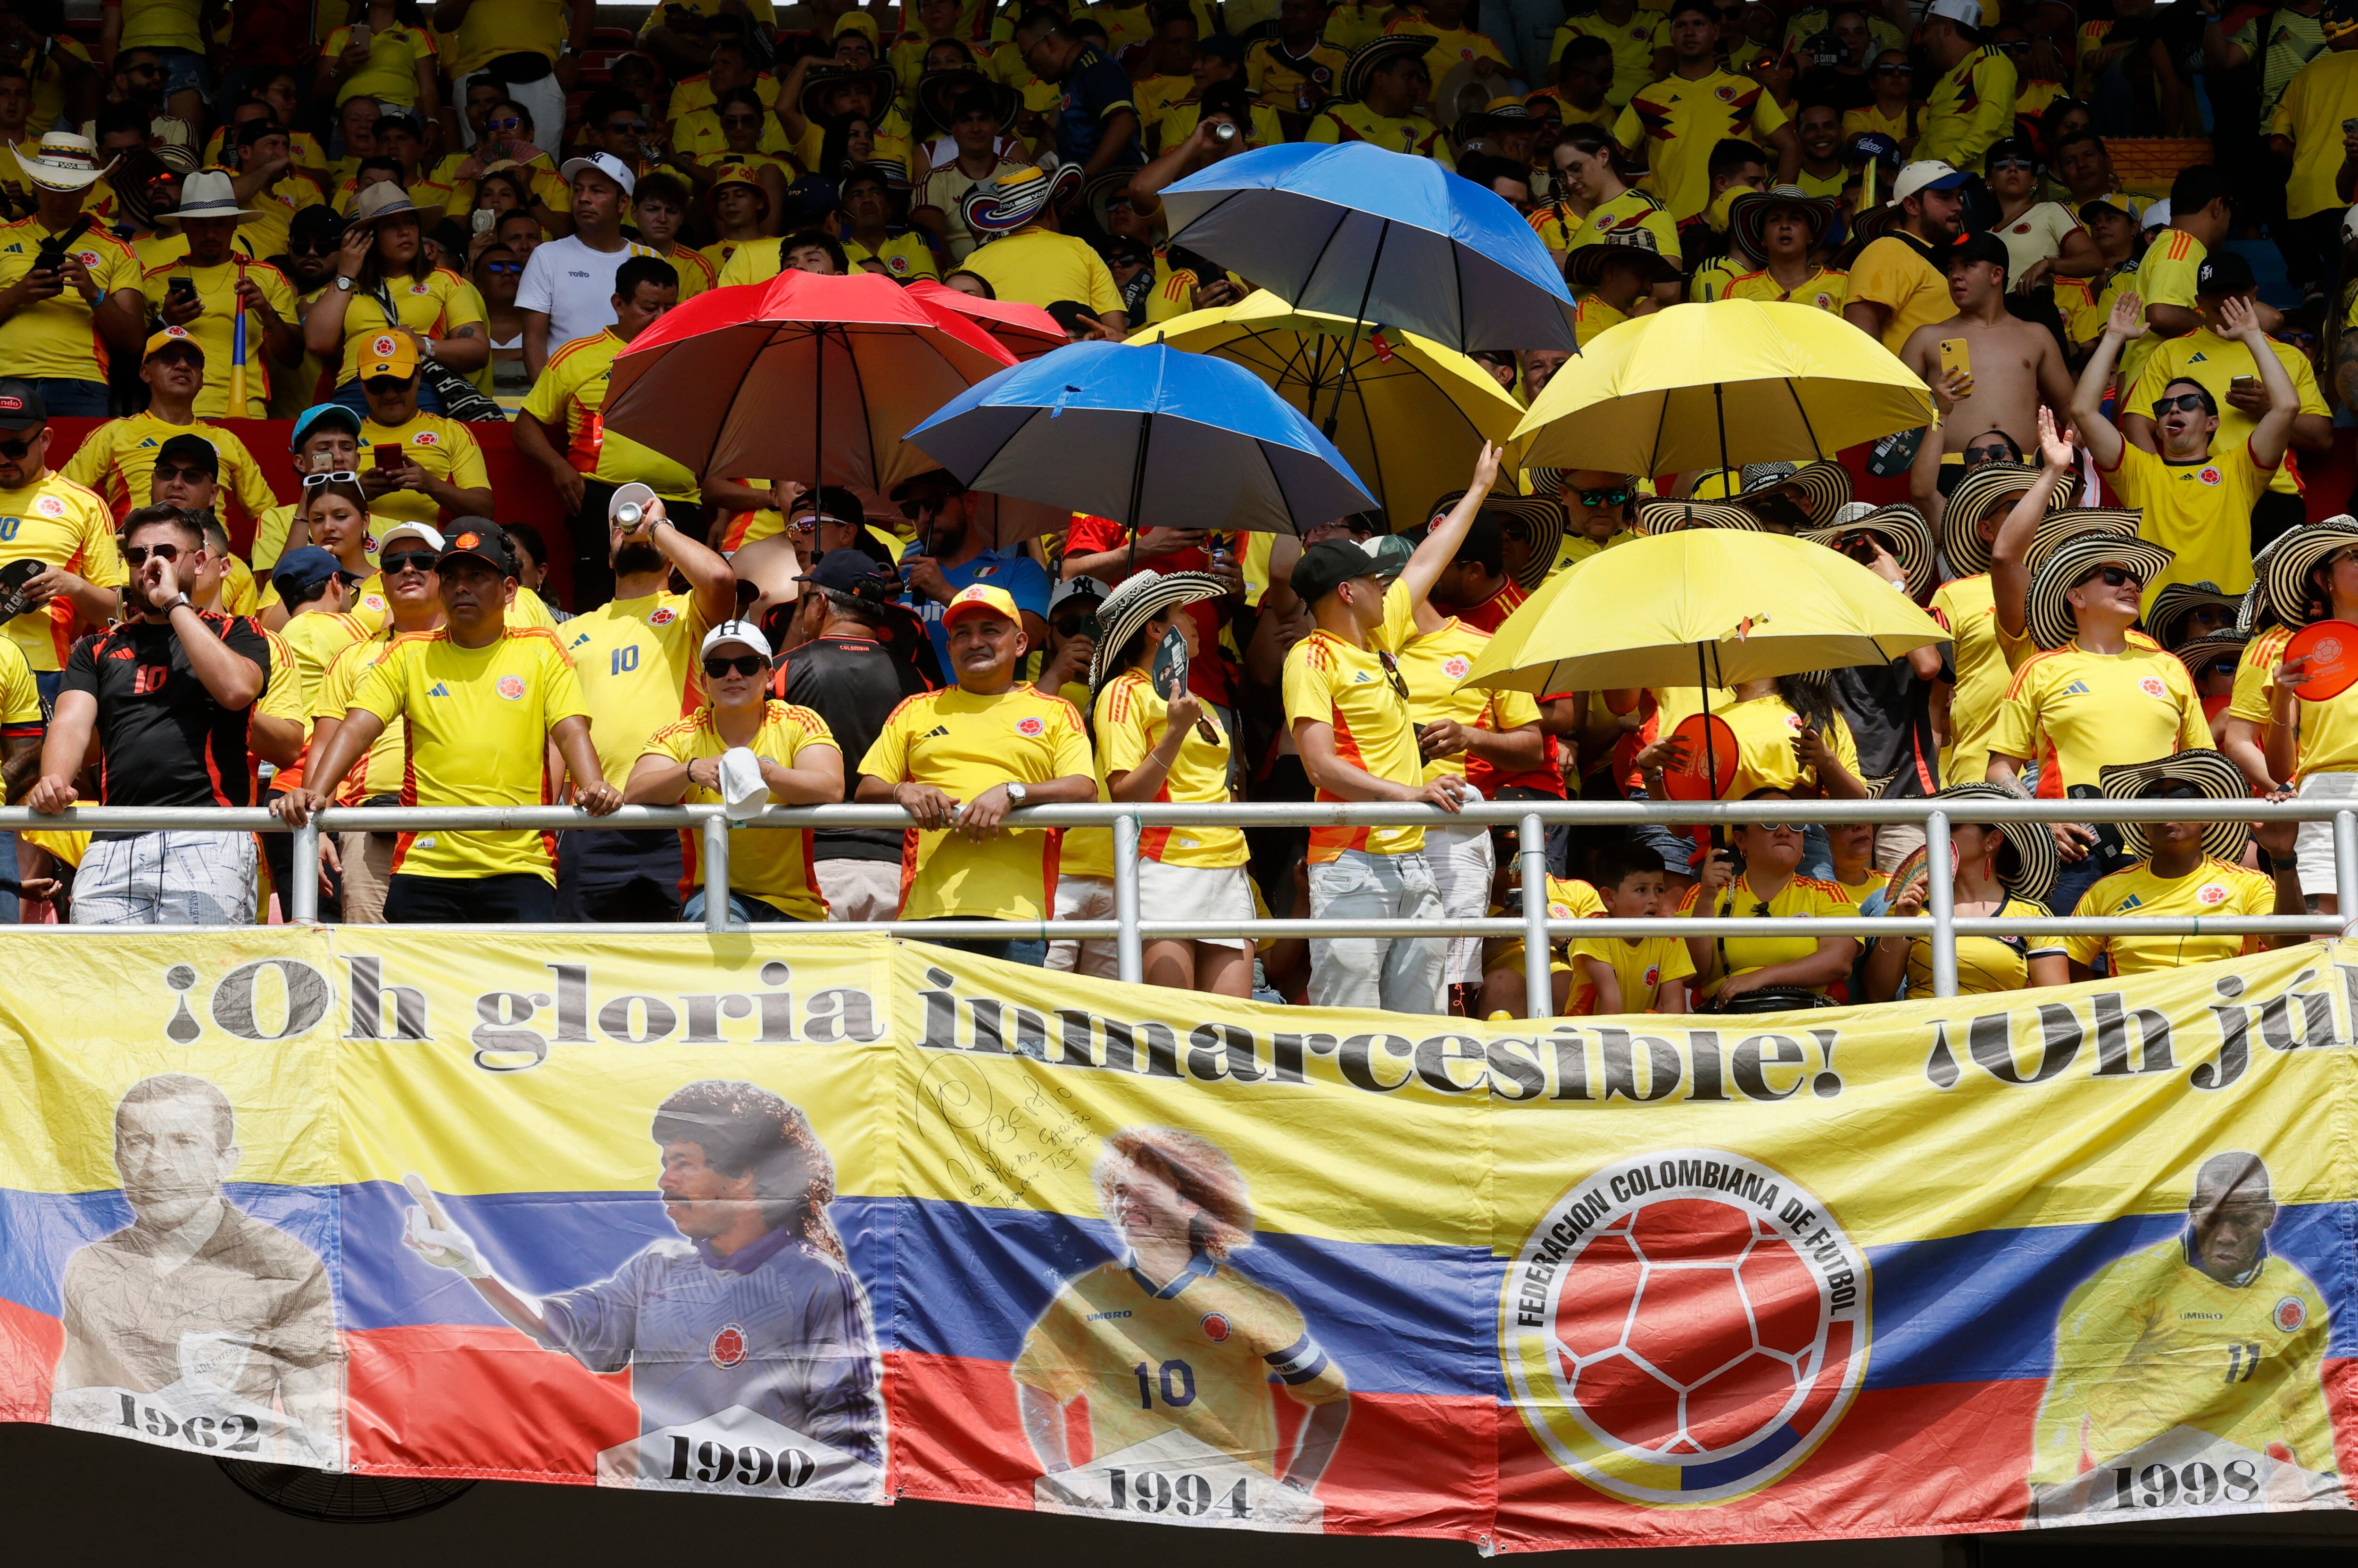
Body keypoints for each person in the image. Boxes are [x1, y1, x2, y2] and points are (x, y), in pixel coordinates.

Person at [402, 1079, 883, 1475]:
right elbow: (559, 1326)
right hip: (664, 1522)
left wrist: (708, 1462)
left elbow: (851, 1449)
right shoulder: (657, 1270)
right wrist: (473, 1267)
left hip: (767, 1531)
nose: (663, 1181)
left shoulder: (816, 1283)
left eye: (683, 1164)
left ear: (742, 1175)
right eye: (663, 1163)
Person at [271, 521, 621, 923]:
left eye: (477, 576)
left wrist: (593, 785)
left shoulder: (542, 649)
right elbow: (357, 726)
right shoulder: (408, 653)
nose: (460, 587)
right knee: (404, 986)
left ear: (509, 591)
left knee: (519, 986)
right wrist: (315, 792)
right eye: (451, 577)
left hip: (521, 863)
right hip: (425, 865)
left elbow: (570, 728)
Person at [1282, 448, 1500, 1014]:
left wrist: (1477, 490)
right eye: (1375, 581)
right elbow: (1319, 765)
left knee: (1419, 1026)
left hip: (1410, 859)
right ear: (1348, 593)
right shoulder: (1310, 658)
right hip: (1350, 863)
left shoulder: (1380, 640)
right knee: (1351, 1026)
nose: (1390, 588)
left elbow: (1429, 559)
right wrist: (1412, 795)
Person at [1013, 1127, 1349, 1490]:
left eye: (1146, 1192)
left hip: (1233, 1507)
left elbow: (1330, 1398)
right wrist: (1060, 1472)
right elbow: (1037, 1383)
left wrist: (1297, 1487)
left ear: (1191, 1205)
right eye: (1122, 1191)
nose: (1127, 1204)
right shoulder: (1088, 1294)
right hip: (1123, 1508)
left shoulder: (1250, 1302)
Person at [2026, 1150, 2336, 1521]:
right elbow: (2071, 1391)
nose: (2226, 1235)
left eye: (2244, 1220)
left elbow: (2301, 1400)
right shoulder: (2126, 1286)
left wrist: (2327, 1477)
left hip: (2241, 1488)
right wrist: (2050, 1483)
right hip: (2132, 1483)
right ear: (2192, 1210)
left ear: (2269, 1214)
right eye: (2213, 1219)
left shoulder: (2295, 1296)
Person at [50, 1074, 337, 1464]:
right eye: (138, 1143)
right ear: (119, 1159)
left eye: (184, 1142)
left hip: (228, 1494)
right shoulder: (91, 1266)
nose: (157, 1166)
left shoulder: (287, 1267)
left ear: (225, 1160)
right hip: (108, 1490)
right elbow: (71, 1399)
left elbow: (318, 1423)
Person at [29, 506, 270, 924]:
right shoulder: (97, 647)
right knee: (105, 985)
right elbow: (70, 722)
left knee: (198, 983)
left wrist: (175, 603)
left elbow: (236, 691)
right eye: (138, 557)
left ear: (198, 562)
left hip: (208, 837)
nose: (151, 566)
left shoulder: (237, 631)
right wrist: (54, 780)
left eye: (165, 553)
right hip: (113, 840)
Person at [1987, 464, 2209, 914]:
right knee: (2068, 968)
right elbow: (1999, 770)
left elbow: (2201, 766)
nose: (2131, 585)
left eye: (2135, 581)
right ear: (2076, 596)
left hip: (2159, 846)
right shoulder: (2040, 668)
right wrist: (2041, 822)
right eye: (2113, 577)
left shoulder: (2169, 665)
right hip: (2072, 849)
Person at [852, 582, 1098, 964]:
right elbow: (867, 788)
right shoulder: (915, 709)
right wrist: (904, 791)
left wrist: (1014, 792)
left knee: (1009, 1027)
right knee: (926, 1027)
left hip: (1019, 918)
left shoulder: (1056, 711)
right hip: (925, 916)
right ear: (949, 648)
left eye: (990, 630)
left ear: (1020, 644)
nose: (975, 641)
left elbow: (1084, 789)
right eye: (962, 633)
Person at [559, 489, 737, 921]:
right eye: (620, 530)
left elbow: (719, 579)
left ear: (674, 557)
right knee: (584, 963)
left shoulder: (688, 610)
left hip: (683, 815)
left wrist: (658, 527)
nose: (633, 531)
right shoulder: (570, 631)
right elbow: (555, 730)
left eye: (645, 526)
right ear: (607, 556)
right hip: (591, 818)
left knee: (681, 964)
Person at [1091, 570, 1253, 996]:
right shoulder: (1123, 692)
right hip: (1167, 867)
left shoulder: (1191, 695)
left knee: (1233, 1031)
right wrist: (1176, 731)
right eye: (1183, 611)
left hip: (1228, 864)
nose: (1197, 620)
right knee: (1172, 1027)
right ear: (1155, 628)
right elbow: (1125, 794)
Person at [2073, 289, 2297, 597]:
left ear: (2212, 423)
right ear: (2160, 428)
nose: (2174, 409)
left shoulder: (2237, 468)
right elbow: (2083, 411)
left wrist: (2254, 336)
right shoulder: (2140, 471)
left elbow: (2286, 407)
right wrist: (2113, 338)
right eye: (2164, 407)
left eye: (2188, 402)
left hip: (2228, 624)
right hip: (2159, 628)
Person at [626, 621, 845, 926]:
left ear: (770, 677)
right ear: (704, 681)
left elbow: (831, 786)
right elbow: (635, 791)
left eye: (747, 664)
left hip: (796, 904)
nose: (733, 675)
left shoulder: (798, 721)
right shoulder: (680, 734)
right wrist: (689, 771)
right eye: (718, 667)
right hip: (713, 894)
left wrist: (764, 770)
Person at [2121, 250, 2331, 554]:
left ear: (2254, 295)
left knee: (2278, 597)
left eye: (2237, 294)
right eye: (2217, 295)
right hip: (2197, 488)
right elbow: (2137, 423)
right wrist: (2160, 481)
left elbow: (2322, 438)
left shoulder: (2288, 356)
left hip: (2273, 494)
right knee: (2204, 596)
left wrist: (2267, 409)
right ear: (2199, 301)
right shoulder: (2171, 352)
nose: (2226, 303)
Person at [517, 255, 695, 609]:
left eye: (669, 307)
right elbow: (525, 428)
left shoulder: (691, 354)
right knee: (601, 597)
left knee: (685, 606)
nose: (661, 317)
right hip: (605, 498)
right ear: (619, 304)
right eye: (649, 307)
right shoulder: (577, 357)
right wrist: (558, 466)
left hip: (684, 500)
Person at [773, 548, 938, 922]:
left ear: (820, 605)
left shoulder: (781, 671)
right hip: (896, 863)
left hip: (810, 865)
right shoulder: (919, 682)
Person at [299, 519, 442, 922]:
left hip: (456, 816)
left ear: (444, 571)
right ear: (383, 578)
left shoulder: (476, 647)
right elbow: (324, 746)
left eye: (423, 560)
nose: (409, 569)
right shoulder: (351, 657)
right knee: (368, 962)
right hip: (368, 821)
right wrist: (318, 829)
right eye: (395, 563)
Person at [2065, 750, 2296, 978]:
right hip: (2135, 1014)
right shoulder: (2106, 891)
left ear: (2208, 816)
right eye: (2151, 799)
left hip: (2222, 1012)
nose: (2167, 807)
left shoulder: (2248, 883)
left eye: (2181, 795)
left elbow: (2292, 946)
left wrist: (2282, 855)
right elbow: (2070, 975)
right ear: (2139, 822)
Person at [1862, 782, 2065, 999]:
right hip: (1926, 1029)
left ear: (1992, 840)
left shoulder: (2033, 914)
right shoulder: (1912, 906)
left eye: (1953, 824)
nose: (1938, 830)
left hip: (1997, 1030)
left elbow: (2057, 1005)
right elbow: (1877, 995)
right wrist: (1902, 922)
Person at [305, 182, 488, 411]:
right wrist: (345, 274)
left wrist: (423, 345)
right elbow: (317, 343)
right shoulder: (346, 284)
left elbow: (478, 350)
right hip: (357, 388)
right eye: (391, 225)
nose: (405, 232)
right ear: (369, 238)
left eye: (410, 223)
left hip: (417, 386)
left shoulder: (444, 280)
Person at [0, 130, 147, 414]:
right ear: (35, 182)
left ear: (89, 188)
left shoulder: (117, 249)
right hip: (6, 376)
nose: (59, 196)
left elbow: (133, 342)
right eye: (51, 185)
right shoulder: (2, 236)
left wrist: (94, 295)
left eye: (70, 187)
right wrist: (18, 295)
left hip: (82, 381)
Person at [1900, 232, 2075, 465]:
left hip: (2023, 468)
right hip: (1952, 467)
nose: (1955, 276)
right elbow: (1898, 414)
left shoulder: (2036, 336)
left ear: (1996, 274)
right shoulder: (1926, 338)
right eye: (1951, 268)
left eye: (1968, 265)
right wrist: (1935, 402)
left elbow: (2067, 407)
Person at [1614, 0, 1795, 221]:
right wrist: (1632, 206)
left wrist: (1778, 203)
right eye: (1681, 26)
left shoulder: (1748, 89)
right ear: (1671, 34)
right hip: (1672, 226)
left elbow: (1791, 146)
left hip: (1738, 221)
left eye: (1699, 24)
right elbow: (1609, 160)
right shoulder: (1647, 98)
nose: (1689, 32)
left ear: (1716, 31)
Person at [141, 170, 300, 417]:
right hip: (173, 414)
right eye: (200, 224)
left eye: (220, 223)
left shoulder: (267, 276)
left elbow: (293, 359)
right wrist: (165, 322)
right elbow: (133, 360)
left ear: (234, 224)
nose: (210, 234)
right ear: (183, 225)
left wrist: (267, 313)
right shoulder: (154, 280)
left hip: (247, 411)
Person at [0, 382, 123, 701]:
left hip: (41, 669)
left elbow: (115, 611)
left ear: (45, 440)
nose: (2, 459)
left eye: (14, 448)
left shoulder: (86, 504)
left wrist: (74, 586)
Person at [1681, 788, 1859, 1007]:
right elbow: (1692, 975)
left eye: (1795, 824)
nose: (1784, 831)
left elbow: (1839, 962)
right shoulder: (1702, 895)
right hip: (1728, 1023)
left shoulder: (1827, 893)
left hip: (1808, 1021)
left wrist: (1759, 978)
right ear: (1740, 839)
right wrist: (1708, 898)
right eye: (1770, 822)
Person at [894, 468, 1054, 672]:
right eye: (912, 510)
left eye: (934, 505)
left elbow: (1027, 637)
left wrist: (945, 593)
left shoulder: (1019, 571)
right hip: (908, 703)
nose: (923, 518)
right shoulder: (905, 580)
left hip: (987, 703)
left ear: (969, 503)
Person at [518, 150, 660, 379]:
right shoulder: (547, 256)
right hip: (566, 398)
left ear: (623, 203)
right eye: (578, 190)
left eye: (597, 190)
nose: (584, 198)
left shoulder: (650, 260)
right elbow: (534, 341)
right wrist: (547, 405)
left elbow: (661, 334)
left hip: (633, 391)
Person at [352, 330, 497, 525]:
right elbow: (310, 511)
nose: (390, 395)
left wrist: (430, 484)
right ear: (362, 383)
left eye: (399, 383)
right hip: (363, 551)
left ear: (418, 376)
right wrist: (356, 494)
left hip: (431, 551)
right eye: (377, 386)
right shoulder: (346, 438)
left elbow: (485, 510)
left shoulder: (452, 431)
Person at [956, 164, 1123, 331]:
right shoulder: (1080, 249)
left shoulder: (975, 260)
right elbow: (1116, 330)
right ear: (1051, 210)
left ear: (1005, 219)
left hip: (1005, 355)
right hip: (1071, 353)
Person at [2117, 163, 2237, 393]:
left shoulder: (2168, 246)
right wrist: (2217, 328)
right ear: (2219, 206)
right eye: (2233, 210)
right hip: (2160, 393)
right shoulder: (2181, 246)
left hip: (2147, 392)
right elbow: (2162, 314)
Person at [2267, 25, 2358, 291]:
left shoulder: (2301, 77)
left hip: (2307, 196)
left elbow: (2277, 144)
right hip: (2350, 195)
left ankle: (2322, 314)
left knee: (2335, 270)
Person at [1843, 158, 1966, 350]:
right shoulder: (1888, 250)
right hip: (1909, 380)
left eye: (1958, 198)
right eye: (1945, 197)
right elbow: (1860, 337)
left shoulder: (1942, 255)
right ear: (1912, 206)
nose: (1958, 206)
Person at [1565, 839, 1695, 1015]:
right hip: (1586, 1036)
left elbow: (1675, 1007)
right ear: (1609, 898)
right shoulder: (1595, 930)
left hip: (1635, 1035)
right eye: (1642, 890)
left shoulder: (1668, 935)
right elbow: (1610, 1002)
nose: (1654, 899)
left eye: (1659, 889)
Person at [1011, 7, 1144, 178]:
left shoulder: (1096, 67)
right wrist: (1042, 132)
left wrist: (1083, 181)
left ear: (1049, 43)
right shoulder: (1074, 74)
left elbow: (1123, 124)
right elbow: (1079, 153)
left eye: (1026, 56)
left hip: (1114, 190)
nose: (1027, 66)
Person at [1305, 33, 1450, 164]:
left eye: (1420, 79)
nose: (1417, 85)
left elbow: (1448, 183)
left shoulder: (1429, 131)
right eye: (1408, 77)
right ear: (1379, 78)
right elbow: (1312, 175)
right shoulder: (1336, 117)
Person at [1911, 0, 2015, 173]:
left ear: (1946, 28)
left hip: (1977, 183)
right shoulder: (1942, 82)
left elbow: (1991, 119)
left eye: (1925, 29)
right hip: (1938, 182)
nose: (1922, 40)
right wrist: (1912, 169)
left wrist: (1950, 163)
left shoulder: (1989, 59)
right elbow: (1928, 139)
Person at [1722, 184, 1846, 311]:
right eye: (1775, 220)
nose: (1785, 225)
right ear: (1763, 238)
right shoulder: (1740, 289)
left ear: (1811, 236)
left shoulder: (1843, 285)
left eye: (1795, 219)